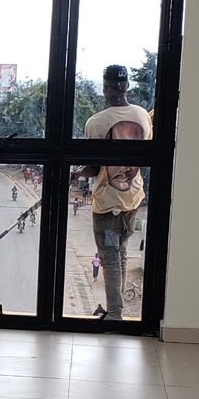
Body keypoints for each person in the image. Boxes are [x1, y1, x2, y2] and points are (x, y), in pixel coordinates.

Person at [81, 64, 151, 319]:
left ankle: (114, 314)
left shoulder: (96, 123)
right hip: (133, 200)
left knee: (110, 258)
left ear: (106, 88)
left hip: (109, 206)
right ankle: (115, 309)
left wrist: (76, 173)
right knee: (121, 254)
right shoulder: (142, 115)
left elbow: (93, 168)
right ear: (126, 86)